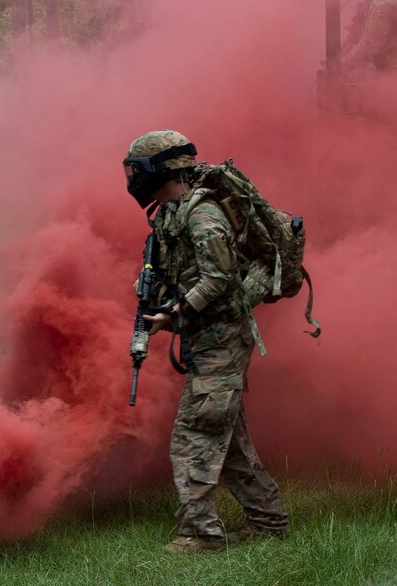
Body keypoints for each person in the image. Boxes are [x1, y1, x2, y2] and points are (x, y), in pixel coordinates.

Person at [123, 130, 289, 554]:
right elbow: (182, 271)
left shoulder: (202, 215)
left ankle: (199, 533)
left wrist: (174, 314)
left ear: (162, 169)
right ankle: (270, 525)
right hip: (209, 336)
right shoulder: (171, 215)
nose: (132, 179)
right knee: (227, 438)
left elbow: (219, 278)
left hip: (224, 336)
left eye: (137, 170)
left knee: (196, 432)